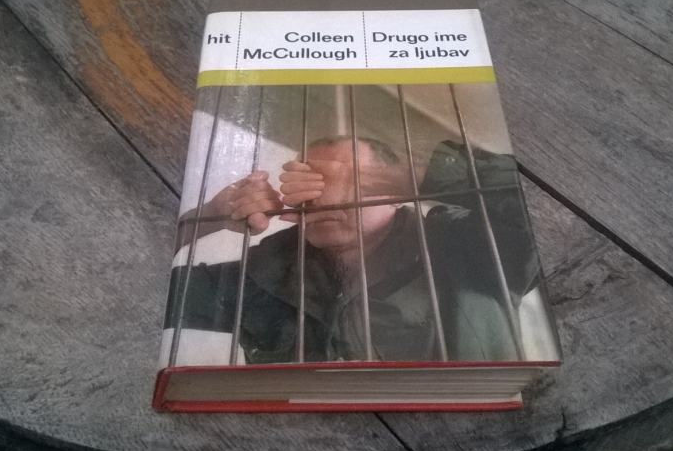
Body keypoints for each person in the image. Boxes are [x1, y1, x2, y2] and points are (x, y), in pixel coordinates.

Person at [165, 136, 540, 364]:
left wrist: (409, 174)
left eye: (351, 181)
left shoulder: (466, 247)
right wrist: (208, 216)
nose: (324, 196)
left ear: (398, 194)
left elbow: (539, 205)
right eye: (309, 182)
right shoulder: (264, 274)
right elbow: (150, 294)